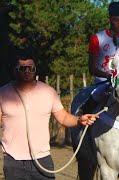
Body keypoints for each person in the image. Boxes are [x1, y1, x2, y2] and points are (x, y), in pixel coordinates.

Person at [0, 50, 98, 180]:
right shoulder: (3, 93)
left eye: (31, 68)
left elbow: (63, 117)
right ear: (15, 70)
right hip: (13, 161)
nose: (27, 71)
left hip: (42, 160)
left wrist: (79, 120)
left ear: (35, 70)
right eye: (23, 68)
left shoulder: (48, 92)